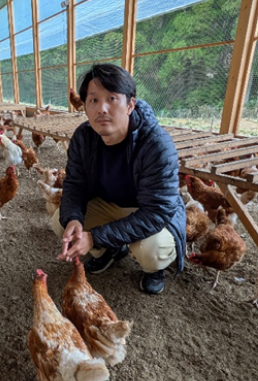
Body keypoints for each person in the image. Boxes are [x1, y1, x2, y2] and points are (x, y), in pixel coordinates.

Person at [53, 63, 186, 295]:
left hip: (150, 210)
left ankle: (155, 269)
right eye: (93, 100)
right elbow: (75, 184)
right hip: (110, 203)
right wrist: (74, 218)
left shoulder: (156, 144)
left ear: (130, 105)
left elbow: (156, 211)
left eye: (112, 99)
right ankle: (110, 251)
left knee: (151, 250)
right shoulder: (83, 137)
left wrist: (94, 237)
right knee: (60, 221)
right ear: (85, 107)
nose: (102, 108)